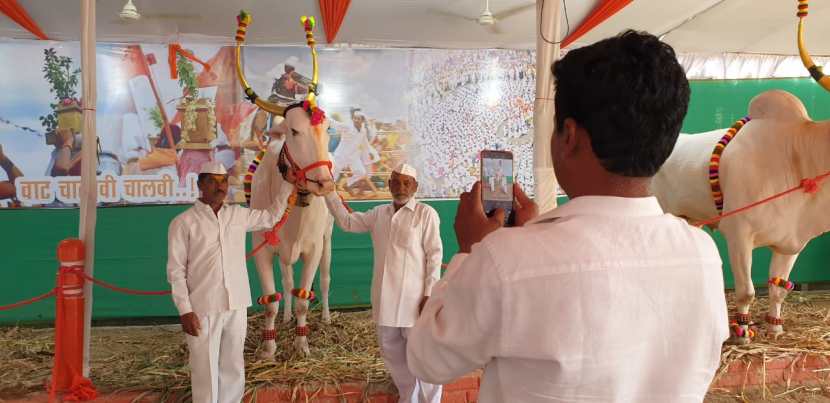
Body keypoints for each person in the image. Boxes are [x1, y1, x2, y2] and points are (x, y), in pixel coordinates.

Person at [406, 30, 728, 403]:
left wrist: (471, 250)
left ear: (569, 136)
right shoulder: (701, 253)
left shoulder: (503, 258)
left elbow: (428, 360)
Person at [166, 160, 295, 403]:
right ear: (200, 184)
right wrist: (185, 310)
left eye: (223, 180)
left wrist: (287, 184)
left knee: (233, 367)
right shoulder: (183, 223)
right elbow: (175, 271)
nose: (220, 186)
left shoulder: (237, 215)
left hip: (237, 304)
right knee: (205, 370)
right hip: (203, 308)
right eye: (212, 181)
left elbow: (271, 217)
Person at [324, 163, 443, 403]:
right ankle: (408, 397)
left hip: (415, 302)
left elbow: (435, 255)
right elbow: (347, 222)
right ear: (389, 185)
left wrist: (429, 295)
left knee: (424, 357)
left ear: (415, 186)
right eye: (396, 182)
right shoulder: (379, 213)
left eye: (406, 182)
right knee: (393, 356)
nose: (401, 187)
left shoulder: (425, 214)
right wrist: (329, 194)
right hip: (385, 300)